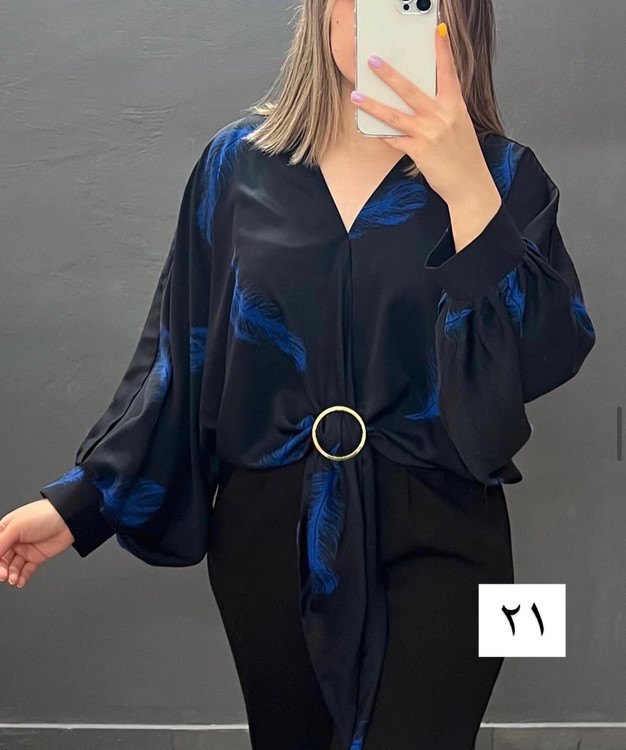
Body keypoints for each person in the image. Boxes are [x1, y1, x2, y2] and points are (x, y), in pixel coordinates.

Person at [0, 1, 596, 748]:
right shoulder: (235, 166)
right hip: (267, 537)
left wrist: (466, 186)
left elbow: (545, 352)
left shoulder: (505, 174)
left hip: (444, 531)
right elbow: (178, 362)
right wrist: (81, 505)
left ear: (457, 16)